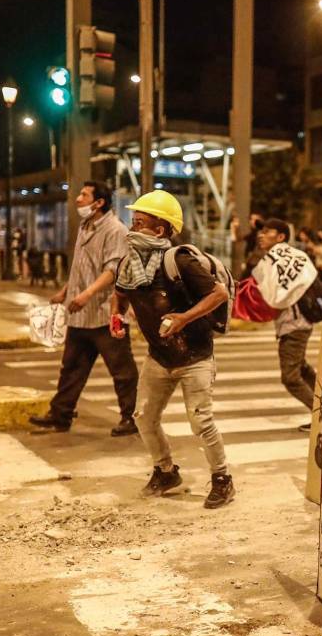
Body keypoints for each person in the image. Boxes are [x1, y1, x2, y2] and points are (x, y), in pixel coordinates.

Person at [111, 191, 234, 505]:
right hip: (159, 357)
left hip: (196, 356)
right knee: (144, 416)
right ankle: (166, 472)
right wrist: (116, 314)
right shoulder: (129, 263)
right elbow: (121, 292)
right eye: (132, 221)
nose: (131, 229)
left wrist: (184, 318)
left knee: (201, 421)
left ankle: (222, 479)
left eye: (139, 223)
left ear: (160, 230)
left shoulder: (179, 260)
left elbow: (218, 294)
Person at [30, 180, 139, 436]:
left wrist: (87, 295)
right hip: (80, 315)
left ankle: (131, 418)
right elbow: (81, 267)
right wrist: (66, 292)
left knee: (122, 370)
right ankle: (61, 414)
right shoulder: (85, 226)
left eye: (84, 195)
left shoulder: (115, 230)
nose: (78, 199)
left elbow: (113, 270)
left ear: (99, 202)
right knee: (71, 367)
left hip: (105, 314)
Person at [246, 218, 317, 412]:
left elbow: (275, 298)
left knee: (290, 378)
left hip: (294, 324)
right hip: (298, 322)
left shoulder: (281, 261)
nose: (261, 235)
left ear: (280, 237)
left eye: (267, 231)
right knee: (302, 368)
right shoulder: (284, 258)